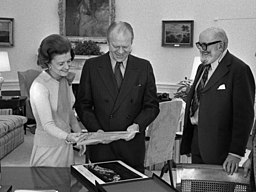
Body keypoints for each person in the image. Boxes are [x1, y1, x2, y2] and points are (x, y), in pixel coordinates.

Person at [74, 21, 159, 172]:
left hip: (131, 146)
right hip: (102, 146)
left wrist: (138, 125)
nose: (120, 51)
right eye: (116, 46)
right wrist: (97, 130)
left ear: (132, 43)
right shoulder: (92, 66)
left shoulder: (144, 67)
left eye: (125, 47)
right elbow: (83, 105)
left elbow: (151, 106)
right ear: (108, 42)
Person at [180, 27, 255, 175]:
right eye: (199, 45)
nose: (201, 49)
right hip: (197, 142)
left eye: (205, 45)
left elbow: (244, 116)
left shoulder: (239, 70)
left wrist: (235, 153)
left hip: (221, 150)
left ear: (220, 45)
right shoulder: (202, 68)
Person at [30, 34, 86, 167]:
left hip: (65, 147)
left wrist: (80, 136)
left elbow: (69, 113)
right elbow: (47, 125)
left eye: (69, 61)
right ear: (48, 63)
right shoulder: (39, 86)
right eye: (61, 63)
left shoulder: (64, 80)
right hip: (47, 150)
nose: (67, 67)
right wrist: (69, 137)